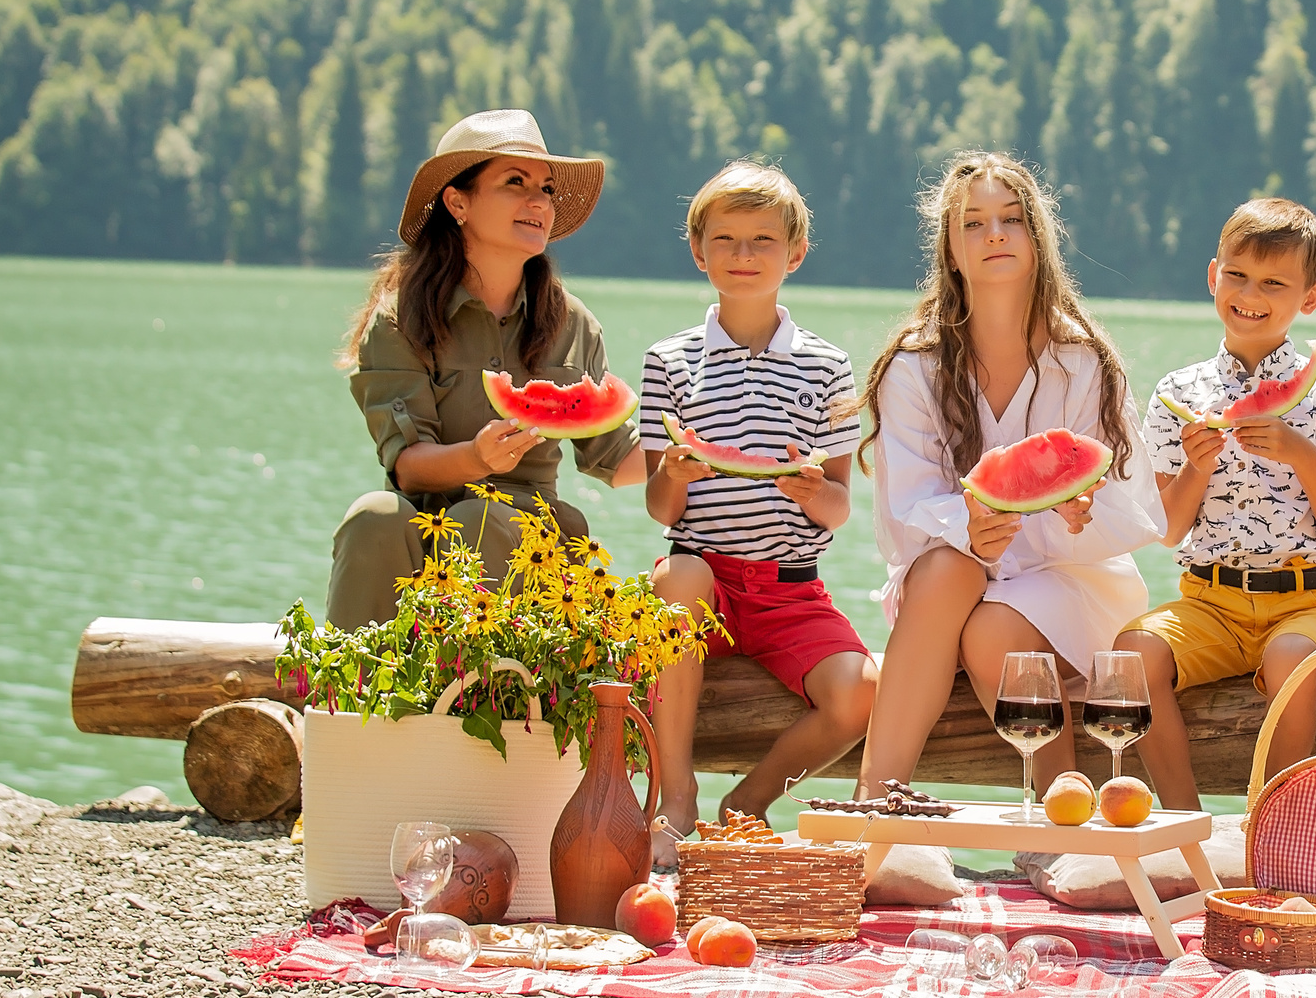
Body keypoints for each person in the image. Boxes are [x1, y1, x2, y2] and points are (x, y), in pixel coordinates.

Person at [855, 153, 1166, 805]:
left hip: (1070, 578)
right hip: (950, 580)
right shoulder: (913, 367)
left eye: (1011, 218)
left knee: (994, 627)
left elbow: (1137, 510)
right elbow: (904, 512)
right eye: (974, 222)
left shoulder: (1084, 362)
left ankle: (1062, 817)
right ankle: (879, 801)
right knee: (949, 569)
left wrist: (1073, 516)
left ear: (1038, 237)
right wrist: (967, 525)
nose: (994, 233)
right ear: (950, 247)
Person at [636, 162, 876, 861]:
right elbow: (659, 503)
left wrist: (810, 492)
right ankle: (675, 798)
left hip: (788, 587)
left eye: (763, 240)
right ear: (698, 250)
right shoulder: (668, 361)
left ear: (795, 253)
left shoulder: (827, 366)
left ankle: (748, 800)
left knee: (858, 694)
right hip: (700, 578)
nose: (745, 255)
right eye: (728, 239)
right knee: (678, 577)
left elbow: (838, 506)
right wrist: (673, 474)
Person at [327, 110, 644, 627]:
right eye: (514, 182)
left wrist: (692, 447)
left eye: (545, 188)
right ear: (458, 202)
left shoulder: (573, 322)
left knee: (478, 521)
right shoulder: (399, 319)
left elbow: (614, 455)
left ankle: (484, 700)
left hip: (538, 547)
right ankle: (351, 696)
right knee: (374, 516)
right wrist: (476, 458)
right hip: (423, 532)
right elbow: (406, 464)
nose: (538, 201)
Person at [1117, 199, 1316, 809]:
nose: (1250, 293)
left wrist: (1304, 456)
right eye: (1237, 275)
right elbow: (1169, 527)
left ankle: (1273, 824)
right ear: (1213, 276)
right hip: (1208, 601)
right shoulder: (1177, 393)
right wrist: (1195, 468)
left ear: (1308, 298)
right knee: (1131, 655)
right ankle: (1183, 822)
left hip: (1308, 604)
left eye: (1273, 283)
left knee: (1290, 657)